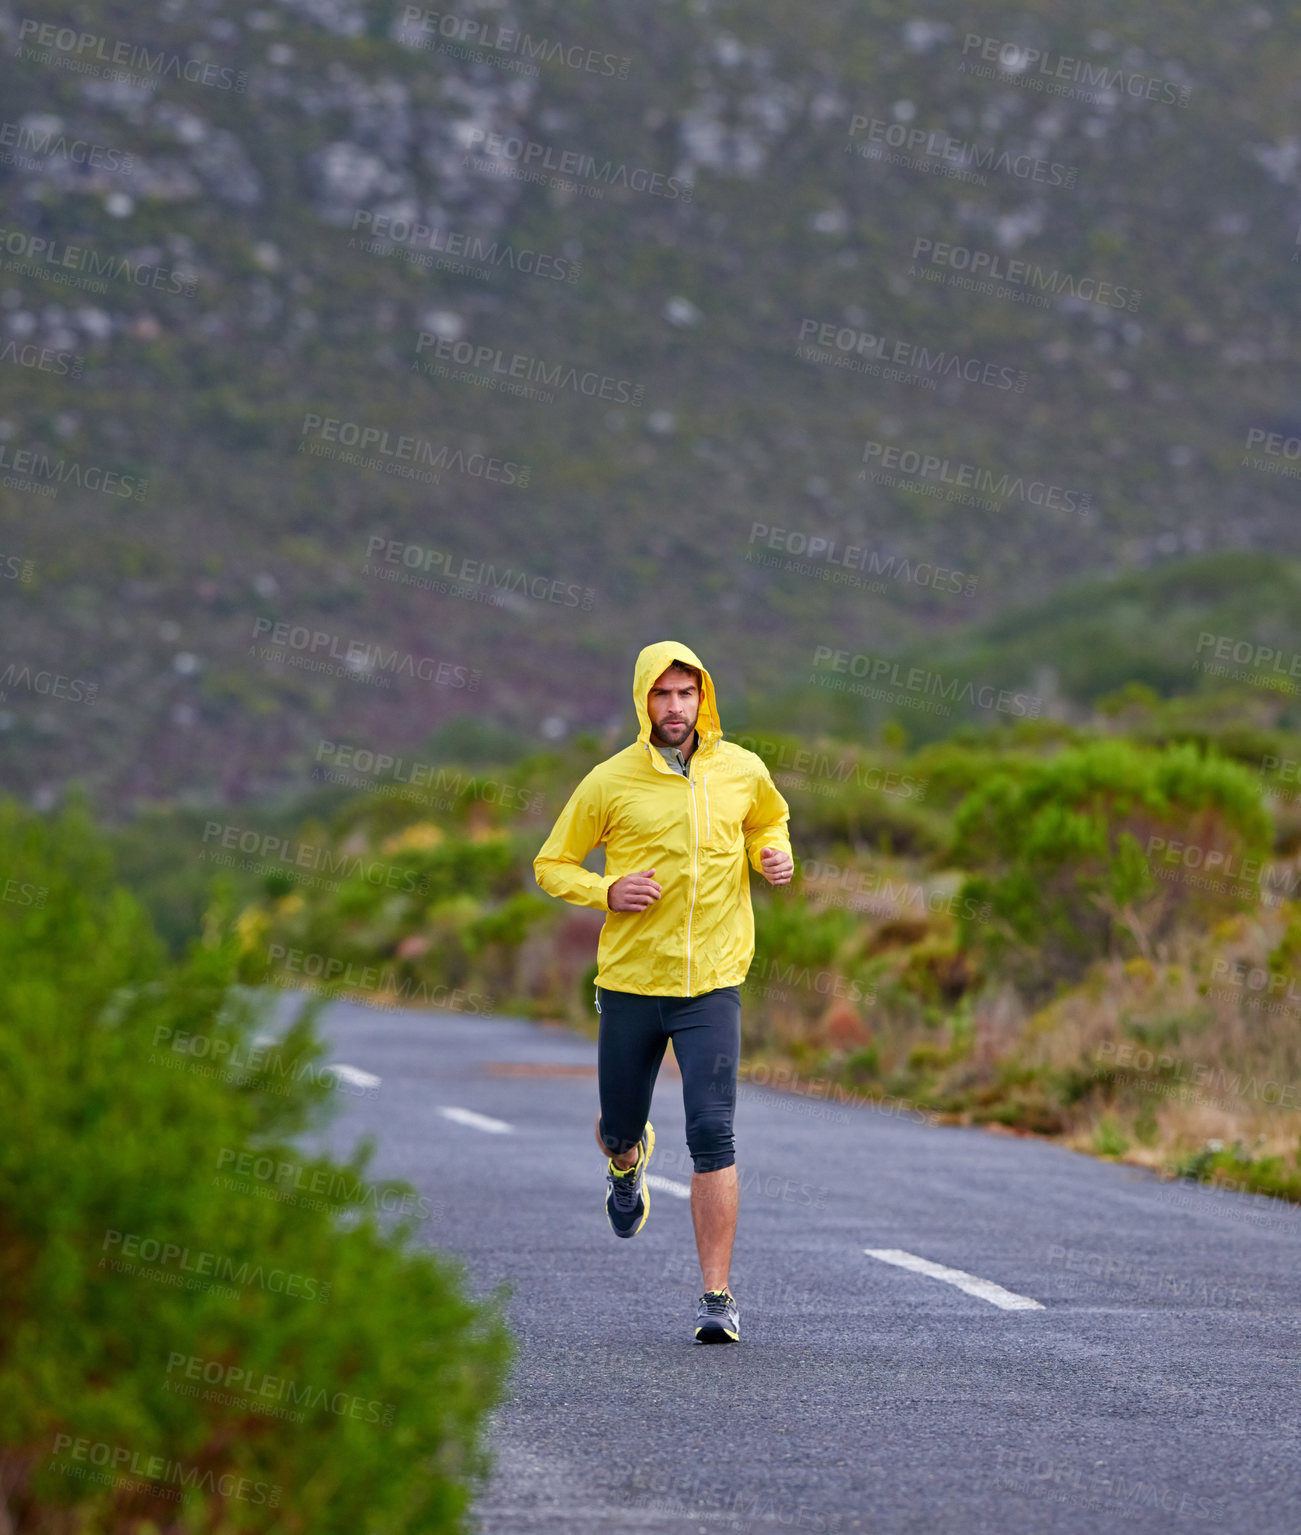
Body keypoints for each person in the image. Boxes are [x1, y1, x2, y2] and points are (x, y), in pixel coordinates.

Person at [533, 640, 793, 1343]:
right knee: (619, 1125)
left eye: (685, 693)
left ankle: (716, 1296)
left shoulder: (741, 768)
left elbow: (769, 817)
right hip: (629, 981)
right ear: (642, 699)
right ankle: (625, 1162)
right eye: (661, 694)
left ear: (701, 695)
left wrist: (774, 852)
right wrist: (605, 888)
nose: (674, 707)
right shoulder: (609, 781)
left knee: (713, 1132)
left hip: (712, 981)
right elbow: (551, 863)